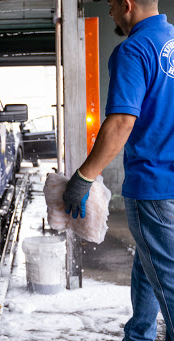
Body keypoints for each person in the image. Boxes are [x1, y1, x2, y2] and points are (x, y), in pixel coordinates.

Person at [62, 0, 174, 340]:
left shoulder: (134, 49)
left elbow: (123, 121)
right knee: (148, 262)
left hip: (155, 184)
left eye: (111, 5)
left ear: (127, 5)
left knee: (168, 278)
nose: (110, 13)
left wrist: (84, 177)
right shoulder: (171, 40)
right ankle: (137, 334)